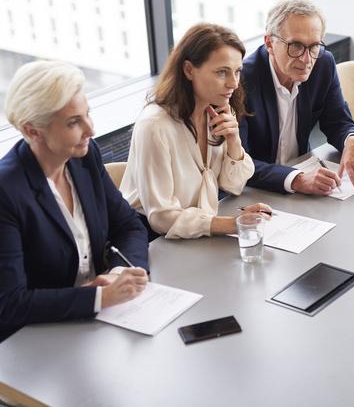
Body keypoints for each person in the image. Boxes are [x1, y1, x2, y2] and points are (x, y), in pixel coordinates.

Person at [0, 61, 149, 342]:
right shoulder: (7, 191)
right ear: (33, 131)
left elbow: (129, 226)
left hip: (101, 323)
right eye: (73, 122)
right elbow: (9, 303)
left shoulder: (83, 156)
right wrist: (96, 297)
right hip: (36, 339)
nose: (91, 129)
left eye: (87, 114)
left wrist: (119, 274)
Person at [120, 23, 270, 239]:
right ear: (189, 70)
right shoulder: (154, 126)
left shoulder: (217, 109)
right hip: (152, 240)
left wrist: (234, 140)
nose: (233, 84)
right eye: (222, 72)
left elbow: (234, 185)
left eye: (237, 72)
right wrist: (232, 224)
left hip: (197, 232)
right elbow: (161, 218)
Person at [239, 0, 354, 195]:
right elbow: (238, 163)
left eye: (314, 46)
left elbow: (338, 121)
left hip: (303, 184)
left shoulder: (323, 64)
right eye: (295, 46)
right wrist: (297, 179)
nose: (306, 59)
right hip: (254, 193)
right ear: (269, 43)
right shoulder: (241, 80)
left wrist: (353, 139)